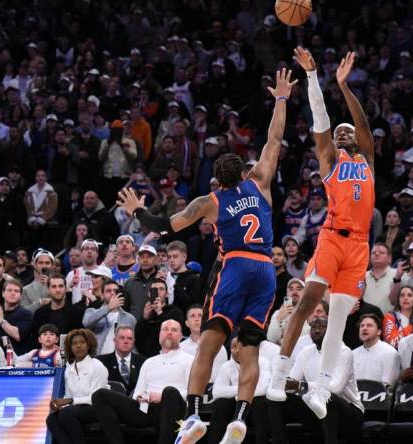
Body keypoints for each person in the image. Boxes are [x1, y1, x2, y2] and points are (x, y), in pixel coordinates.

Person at [118, 69, 296, 444]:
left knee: (210, 343)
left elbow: (164, 227)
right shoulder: (261, 182)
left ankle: (195, 416)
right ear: (244, 172)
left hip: (235, 265)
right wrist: (281, 99)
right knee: (249, 350)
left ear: (217, 180)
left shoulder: (209, 202)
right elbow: (274, 138)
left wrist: (137, 210)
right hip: (266, 270)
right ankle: (242, 419)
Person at [268, 49, 376, 423]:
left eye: (349, 133)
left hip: (360, 245)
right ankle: (281, 372)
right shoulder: (330, 161)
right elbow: (322, 120)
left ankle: (320, 388)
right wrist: (315, 79)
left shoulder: (367, 162)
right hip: (332, 237)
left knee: (339, 319)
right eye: (340, 132)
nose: (345, 133)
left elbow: (361, 123)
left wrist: (344, 86)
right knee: (310, 299)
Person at [91, 320, 193, 444]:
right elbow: (137, 394)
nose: (169, 332)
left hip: (174, 409)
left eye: (174, 330)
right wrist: (142, 397)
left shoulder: (189, 360)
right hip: (146, 409)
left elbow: (192, 392)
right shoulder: (149, 362)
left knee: (169, 391)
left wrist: (162, 397)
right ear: (159, 334)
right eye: (165, 329)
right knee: (100, 395)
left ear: (181, 336)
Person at [267, 316, 363, 444]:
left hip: (349, 413)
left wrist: (303, 386)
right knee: (275, 398)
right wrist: (281, 382)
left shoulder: (343, 352)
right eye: (313, 327)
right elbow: (292, 383)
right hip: (315, 410)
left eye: (322, 327)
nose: (316, 331)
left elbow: (336, 388)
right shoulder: (306, 352)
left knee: (327, 397)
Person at [46, 328, 108, 444]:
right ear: (70, 348)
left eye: (82, 342)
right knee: (52, 419)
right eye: (74, 344)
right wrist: (59, 405)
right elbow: (68, 396)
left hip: (97, 408)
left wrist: (70, 401)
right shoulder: (69, 370)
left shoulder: (98, 366)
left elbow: (96, 398)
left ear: (89, 344)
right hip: (76, 409)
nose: (78, 346)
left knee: (66, 413)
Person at [208, 337, 271, 444]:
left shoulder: (262, 362)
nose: (237, 350)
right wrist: (244, 390)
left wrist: (242, 395)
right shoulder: (226, 366)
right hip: (235, 408)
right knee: (221, 403)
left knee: (260, 402)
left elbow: (263, 388)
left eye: (241, 346)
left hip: (254, 407)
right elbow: (217, 392)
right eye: (234, 347)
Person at [82, 280, 136, 355]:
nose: (112, 293)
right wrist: (108, 308)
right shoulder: (91, 311)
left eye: (115, 290)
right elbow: (86, 323)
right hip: (98, 359)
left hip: (121, 360)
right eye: (108, 291)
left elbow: (132, 343)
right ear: (102, 295)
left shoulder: (130, 318)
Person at [180, 304, 228, 382]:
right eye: (192, 316)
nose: (197, 319)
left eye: (200, 316)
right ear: (187, 323)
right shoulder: (180, 347)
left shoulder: (219, 347)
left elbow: (219, 377)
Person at [352, 313, 399, 385]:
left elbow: (388, 385)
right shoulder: (353, 354)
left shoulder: (390, 352)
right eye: (362, 326)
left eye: (369, 325)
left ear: (379, 331)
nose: (364, 328)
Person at [97, 326, 145, 396]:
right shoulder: (101, 362)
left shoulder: (144, 362)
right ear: (114, 341)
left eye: (129, 338)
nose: (126, 341)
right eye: (122, 338)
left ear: (133, 342)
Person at [0, 279, 32, 355]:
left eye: (16, 291)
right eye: (9, 290)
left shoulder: (26, 314)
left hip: (17, 360)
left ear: (20, 296)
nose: (13, 293)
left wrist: (0, 319)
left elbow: (18, 335)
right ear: (3, 293)